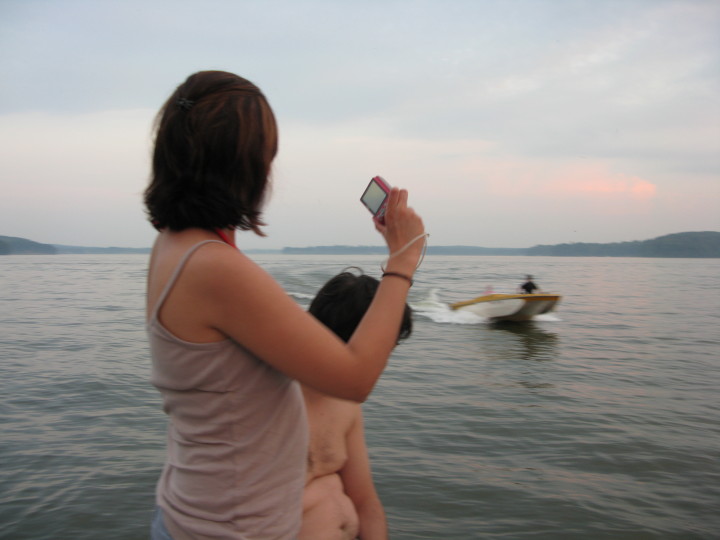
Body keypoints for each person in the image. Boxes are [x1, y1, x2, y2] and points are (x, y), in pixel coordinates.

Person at [144, 70, 425, 540]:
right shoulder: (213, 268)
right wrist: (403, 258)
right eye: (266, 156)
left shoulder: (177, 246)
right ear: (246, 166)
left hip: (194, 514)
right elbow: (355, 378)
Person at [300, 270, 413, 540]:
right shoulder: (264, 397)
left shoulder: (346, 404)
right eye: (386, 346)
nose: (386, 359)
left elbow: (365, 500)